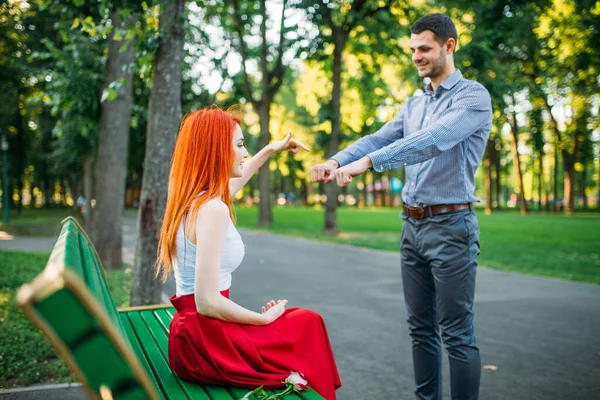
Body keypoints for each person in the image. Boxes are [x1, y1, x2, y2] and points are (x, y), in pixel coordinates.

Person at [311, 13, 491, 400]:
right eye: (412, 49)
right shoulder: (415, 102)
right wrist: (338, 160)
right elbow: (377, 138)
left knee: (457, 334)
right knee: (420, 328)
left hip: (451, 227)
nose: (416, 57)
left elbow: (433, 139)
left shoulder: (472, 97)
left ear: (449, 46)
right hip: (412, 228)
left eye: (424, 48)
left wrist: (369, 164)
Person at [155, 106, 341, 400]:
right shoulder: (212, 209)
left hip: (192, 338)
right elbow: (206, 302)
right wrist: (261, 319)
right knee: (307, 323)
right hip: (208, 342)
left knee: (300, 322)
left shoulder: (192, 198)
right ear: (216, 149)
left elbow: (237, 180)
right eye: (240, 145)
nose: (244, 153)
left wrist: (270, 149)